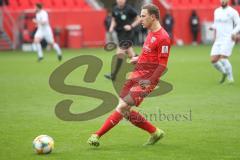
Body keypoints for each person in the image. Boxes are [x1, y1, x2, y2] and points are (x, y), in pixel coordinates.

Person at [87, 4, 171, 147]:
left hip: (147, 79)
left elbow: (162, 65)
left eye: (143, 16)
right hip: (136, 74)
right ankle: (155, 132)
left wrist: (149, 81)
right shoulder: (150, 32)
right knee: (125, 110)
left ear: (153, 17)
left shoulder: (163, 37)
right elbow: (150, 55)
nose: (141, 19)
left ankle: (97, 135)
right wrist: (137, 59)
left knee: (122, 106)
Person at [104, 0, 140, 81]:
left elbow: (139, 19)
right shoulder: (115, 9)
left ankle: (114, 75)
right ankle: (145, 70)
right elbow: (114, 20)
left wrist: (131, 26)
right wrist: (111, 27)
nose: (120, 1)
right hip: (120, 34)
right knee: (131, 54)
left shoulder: (129, 9)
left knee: (119, 53)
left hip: (128, 34)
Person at [210, 0, 240, 84]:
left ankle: (231, 79)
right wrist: (212, 27)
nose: (223, 2)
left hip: (228, 38)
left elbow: (239, 24)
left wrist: (234, 32)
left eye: (225, 0)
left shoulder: (232, 12)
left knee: (223, 58)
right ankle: (224, 72)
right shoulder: (217, 11)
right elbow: (216, 24)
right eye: (222, 0)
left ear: (227, 1)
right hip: (218, 39)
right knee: (213, 60)